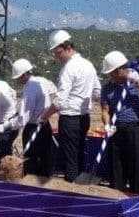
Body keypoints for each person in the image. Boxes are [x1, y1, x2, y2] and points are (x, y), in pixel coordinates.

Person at [41, 30, 101, 182]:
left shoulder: (67, 69)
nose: (57, 57)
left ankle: (71, 191)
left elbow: (60, 100)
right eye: (55, 53)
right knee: (79, 154)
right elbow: (97, 93)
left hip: (70, 118)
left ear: (68, 48)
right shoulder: (88, 65)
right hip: (84, 118)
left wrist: (46, 114)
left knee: (70, 158)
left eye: (59, 52)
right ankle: (80, 188)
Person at [100, 51, 139, 195]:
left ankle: (136, 206)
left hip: (137, 130)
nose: (110, 76)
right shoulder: (107, 88)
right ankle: (116, 203)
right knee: (116, 172)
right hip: (117, 130)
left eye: (112, 73)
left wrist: (138, 83)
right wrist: (107, 124)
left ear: (120, 69)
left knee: (138, 174)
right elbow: (105, 110)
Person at [0, 59, 57, 177]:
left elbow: (23, 118)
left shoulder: (30, 89)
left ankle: (30, 183)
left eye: (18, 77)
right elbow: (55, 90)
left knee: (31, 162)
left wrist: (8, 125)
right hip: (45, 125)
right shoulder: (42, 81)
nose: (17, 80)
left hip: (33, 128)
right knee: (46, 158)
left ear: (24, 74)